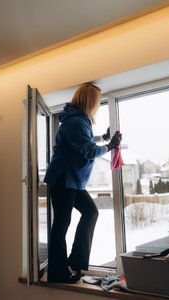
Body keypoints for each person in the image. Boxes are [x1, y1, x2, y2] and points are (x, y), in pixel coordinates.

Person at [44, 83, 122, 283]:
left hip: (72, 180)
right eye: (96, 102)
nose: (96, 106)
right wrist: (109, 146)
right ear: (89, 101)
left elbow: (84, 139)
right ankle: (57, 273)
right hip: (63, 178)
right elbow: (88, 150)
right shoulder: (75, 122)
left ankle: (75, 261)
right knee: (61, 224)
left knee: (90, 213)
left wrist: (102, 137)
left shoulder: (78, 120)